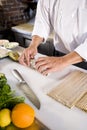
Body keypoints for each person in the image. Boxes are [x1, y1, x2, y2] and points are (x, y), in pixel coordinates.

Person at [19, 0, 87, 75]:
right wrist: (33, 45)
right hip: (59, 55)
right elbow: (42, 22)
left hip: (83, 59)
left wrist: (63, 61)